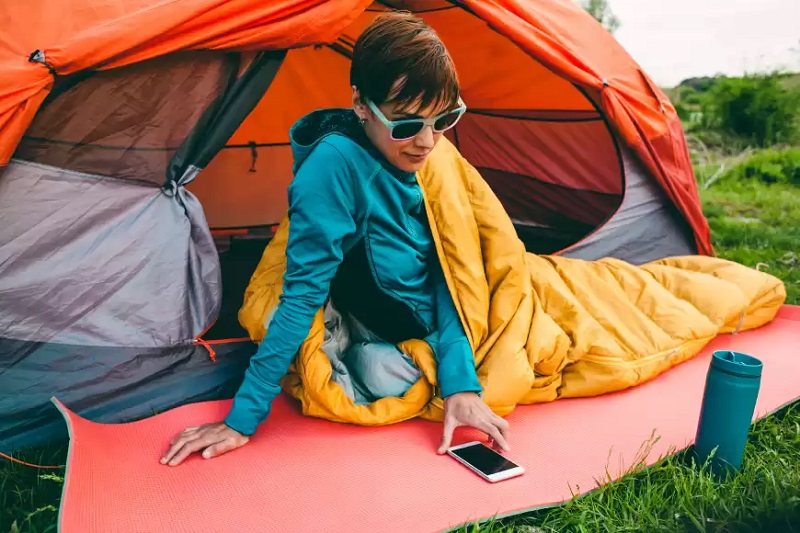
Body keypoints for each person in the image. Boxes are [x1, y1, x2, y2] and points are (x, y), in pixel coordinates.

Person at [161, 11, 510, 467]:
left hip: (443, 318)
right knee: (379, 379)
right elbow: (301, 295)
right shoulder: (335, 169)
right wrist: (241, 419)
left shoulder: (427, 156)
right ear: (361, 105)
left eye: (444, 119)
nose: (427, 142)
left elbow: (451, 271)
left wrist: (460, 382)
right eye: (406, 125)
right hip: (386, 315)